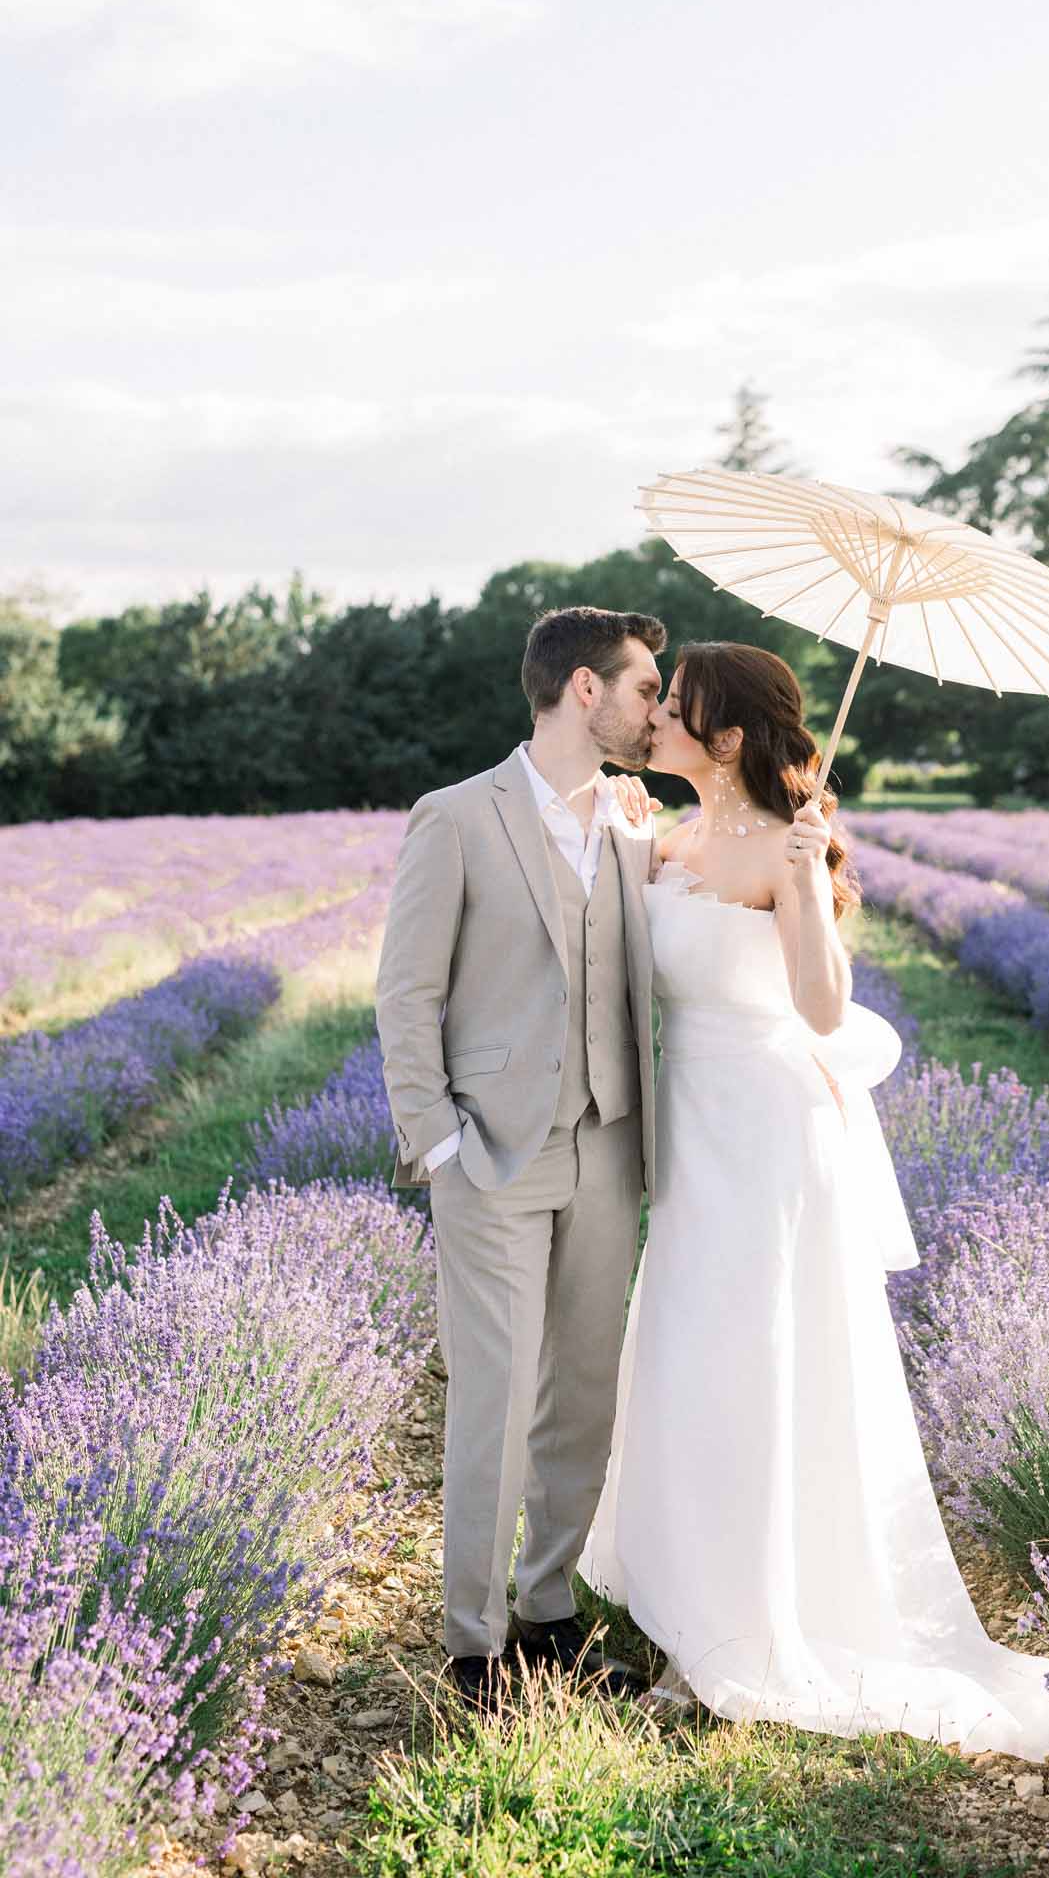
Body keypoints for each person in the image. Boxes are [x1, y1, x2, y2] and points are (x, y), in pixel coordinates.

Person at [578, 641, 1049, 1760]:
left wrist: (806, 878)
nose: (653, 718)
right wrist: (610, 822)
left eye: (675, 709)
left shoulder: (782, 853)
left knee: (758, 1352)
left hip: (769, 1130)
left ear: (726, 737)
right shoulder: (667, 838)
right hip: (691, 1130)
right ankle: (687, 1604)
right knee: (686, 1349)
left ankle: (753, 1621)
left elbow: (819, 1006)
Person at [375, 605, 665, 1711]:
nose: (658, 707)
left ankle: (548, 1614)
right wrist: (438, 1141)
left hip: (608, 1139)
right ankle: (472, 1639)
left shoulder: (636, 824)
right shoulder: (455, 817)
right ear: (582, 689)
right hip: (490, 1151)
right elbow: (407, 996)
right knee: (494, 1395)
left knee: (583, 1390)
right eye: (645, 686)